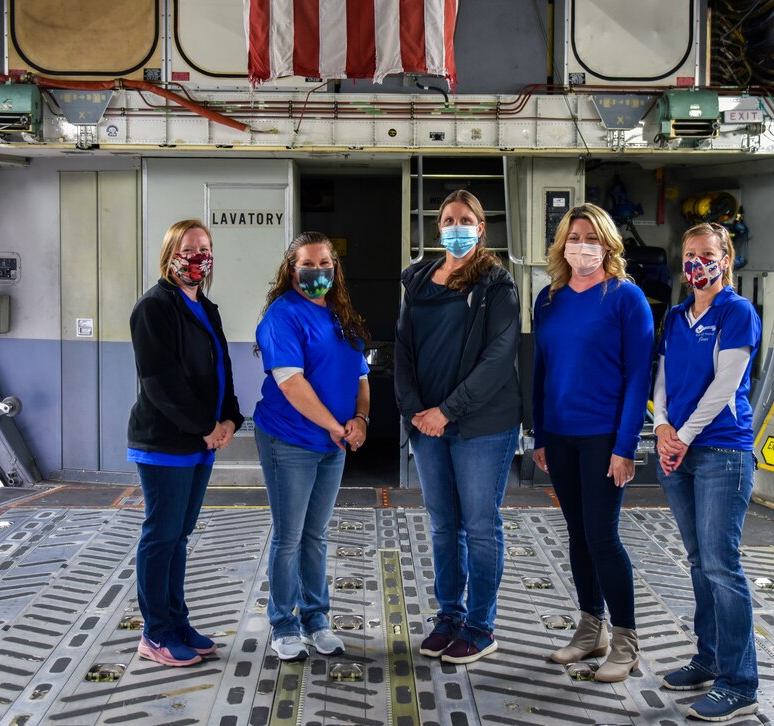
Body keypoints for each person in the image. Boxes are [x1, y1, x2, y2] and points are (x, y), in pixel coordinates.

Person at [395, 189, 521, 665]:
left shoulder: (497, 284)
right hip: (427, 426)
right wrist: (414, 412)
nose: (456, 226)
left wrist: (446, 411)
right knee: (445, 526)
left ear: (481, 227)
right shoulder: (418, 280)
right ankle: (449, 616)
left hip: (481, 425)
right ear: (437, 227)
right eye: (448, 219)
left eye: (465, 218)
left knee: (480, 526)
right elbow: (403, 349)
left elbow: (497, 359)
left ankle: (480, 625)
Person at [532, 203, 653, 682]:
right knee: (578, 534)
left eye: (592, 237)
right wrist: (540, 434)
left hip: (604, 435)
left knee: (603, 535)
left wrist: (626, 446)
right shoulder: (548, 298)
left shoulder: (626, 298)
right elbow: (541, 371)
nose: (582, 245)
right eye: (574, 236)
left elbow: (639, 375)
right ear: (563, 243)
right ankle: (590, 629)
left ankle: (625, 642)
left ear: (608, 244)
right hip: (559, 435)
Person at [653, 222, 761, 721]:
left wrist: (683, 435)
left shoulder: (737, 313)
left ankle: (740, 684)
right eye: (690, 253)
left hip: (721, 452)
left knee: (722, 565)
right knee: (698, 561)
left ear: (726, 257)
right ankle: (709, 658)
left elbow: (725, 386)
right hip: (678, 448)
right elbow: (664, 377)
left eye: (707, 253)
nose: (697, 262)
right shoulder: (676, 315)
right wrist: (660, 426)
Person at [127, 219, 244, 667]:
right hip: (165, 443)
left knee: (179, 536)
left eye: (205, 248)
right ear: (170, 253)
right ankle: (155, 633)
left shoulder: (205, 307)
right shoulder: (154, 307)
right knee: (161, 536)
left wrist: (231, 417)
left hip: (199, 442)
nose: (199, 256)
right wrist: (205, 426)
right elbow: (161, 383)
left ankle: (177, 622)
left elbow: (221, 368)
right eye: (190, 247)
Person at [254, 231, 371, 662]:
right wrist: (337, 428)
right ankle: (283, 624)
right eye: (309, 264)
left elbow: (360, 375)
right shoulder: (282, 316)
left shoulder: (341, 315)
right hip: (291, 440)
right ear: (291, 268)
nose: (318, 272)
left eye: (326, 264)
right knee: (289, 537)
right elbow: (292, 384)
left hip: (331, 443)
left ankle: (316, 620)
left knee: (315, 536)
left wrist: (360, 419)